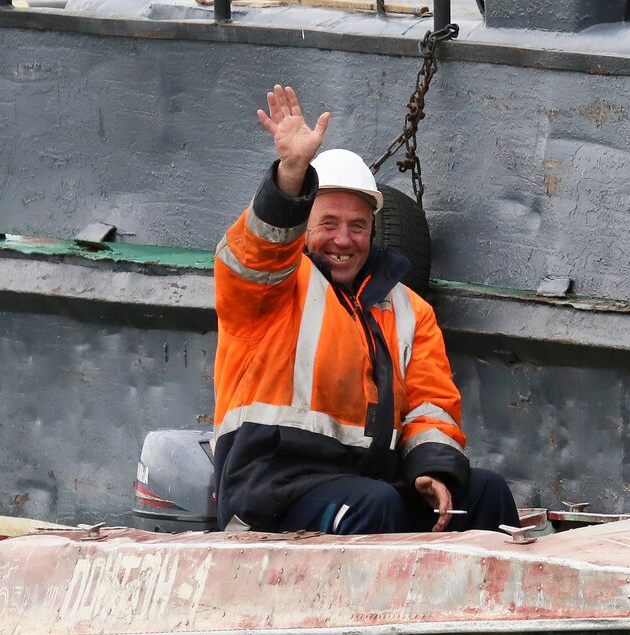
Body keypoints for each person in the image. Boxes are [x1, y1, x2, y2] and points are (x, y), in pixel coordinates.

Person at [212, 84, 519, 535]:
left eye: (358, 226)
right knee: (374, 507)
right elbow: (259, 252)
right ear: (303, 223)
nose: (343, 239)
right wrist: (291, 175)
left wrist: (432, 470)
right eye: (328, 223)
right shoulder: (272, 286)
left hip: (369, 480)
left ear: (374, 230)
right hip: (271, 490)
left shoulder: (409, 310)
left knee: (486, 493)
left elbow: (430, 405)